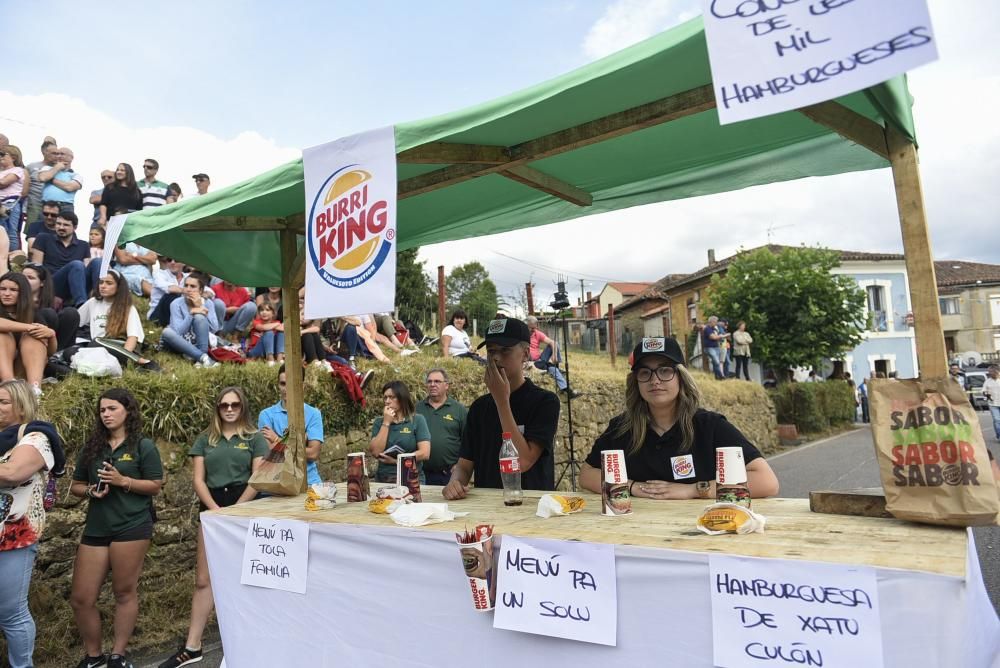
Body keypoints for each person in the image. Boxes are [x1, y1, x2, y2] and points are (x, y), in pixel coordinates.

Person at [579, 337, 779, 500]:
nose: (655, 380)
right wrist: (631, 487)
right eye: (645, 372)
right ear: (636, 382)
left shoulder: (710, 426)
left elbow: (766, 481)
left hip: (701, 533)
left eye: (665, 370)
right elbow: (587, 475)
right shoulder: (622, 428)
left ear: (681, 378)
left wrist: (694, 490)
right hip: (638, 533)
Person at [159, 387, 267, 668]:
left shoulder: (255, 438)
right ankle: (192, 646)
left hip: (245, 505)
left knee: (249, 575)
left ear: (243, 407)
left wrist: (236, 510)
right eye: (223, 405)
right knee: (204, 579)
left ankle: (253, 639)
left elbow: (257, 478)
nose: (229, 409)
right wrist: (215, 511)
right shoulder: (205, 440)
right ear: (217, 409)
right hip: (213, 506)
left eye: (234, 405)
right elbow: (198, 480)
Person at [69, 388, 163, 668]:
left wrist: (124, 482)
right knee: (81, 598)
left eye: (112, 409)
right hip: (97, 527)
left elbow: (155, 486)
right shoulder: (93, 446)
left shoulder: (143, 446)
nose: (106, 414)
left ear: (127, 411)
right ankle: (94, 656)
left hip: (132, 525)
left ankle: (118, 656)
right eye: (102, 410)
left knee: (123, 591)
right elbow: (75, 486)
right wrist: (90, 492)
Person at [443, 317, 560, 499]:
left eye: (505, 350)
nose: (496, 357)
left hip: (531, 508)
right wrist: (455, 482)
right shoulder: (479, 407)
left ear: (526, 354)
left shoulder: (545, 401)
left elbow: (522, 461)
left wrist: (501, 401)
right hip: (487, 507)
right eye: (491, 351)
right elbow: (465, 465)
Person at [0, 379, 66, 668]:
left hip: (15, 537)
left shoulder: (36, 437)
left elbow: (13, 472)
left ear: (21, 404)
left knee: (11, 612)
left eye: (3, 402)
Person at [77, 270, 160, 371]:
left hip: (120, 345)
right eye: (101, 282)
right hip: (100, 348)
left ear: (118, 287)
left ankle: (143, 362)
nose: (103, 286)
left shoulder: (128, 307)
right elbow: (77, 320)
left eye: (109, 283)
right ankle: (123, 364)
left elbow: (132, 338)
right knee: (70, 352)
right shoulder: (93, 302)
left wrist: (125, 354)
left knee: (95, 342)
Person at [259, 364, 324, 485]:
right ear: (278, 385)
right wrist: (299, 444)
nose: (286, 388)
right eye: (283, 384)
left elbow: (313, 453)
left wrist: (277, 439)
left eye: (291, 384)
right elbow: (269, 453)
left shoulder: (313, 414)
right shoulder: (266, 415)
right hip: (277, 483)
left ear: (302, 386)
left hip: (309, 481)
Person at [0, 272, 56, 395]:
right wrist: (29, 327)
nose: (6, 293)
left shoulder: (32, 314)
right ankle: (9, 385)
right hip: (4, 374)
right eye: (2, 289)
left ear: (23, 293)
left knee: (33, 337)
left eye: (13, 290)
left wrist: (51, 334)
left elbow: (50, 352)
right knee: (3, 334)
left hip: (21, 371)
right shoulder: (30, 324)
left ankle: (34, 390)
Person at [30, 210, 99, 307]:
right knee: (77, 264)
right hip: (53, 282)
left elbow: (87, 269)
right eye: (58, 224)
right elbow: (37, 268)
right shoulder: (43, 238)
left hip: (77, 281)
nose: (61, 227)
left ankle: (99, 298)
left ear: (74, 227)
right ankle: (82, 305)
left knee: (97, 262)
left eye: (66, 225)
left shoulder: (83, 245)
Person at [369, 380, 431, 483]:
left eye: (392, 397)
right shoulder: (379, 422)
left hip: (411, 478)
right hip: (385, 480)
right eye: (385, 397)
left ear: (402, 398)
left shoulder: (417, 420)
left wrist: (397, 461)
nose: (387, 401)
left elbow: (425, 453)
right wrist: (386, 422)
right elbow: (376, 452)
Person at [416, 368, 468, 485]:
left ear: (446, 385)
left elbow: (468, 441)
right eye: (429, 382)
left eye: (437, 381)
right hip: (421, 474)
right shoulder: (417, 409)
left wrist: (459, 465)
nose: (432, 385)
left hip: (449, 474)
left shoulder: (458, 410)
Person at [159, 272, 220, 368]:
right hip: (179, 344)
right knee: (167, 332)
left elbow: (214, 329)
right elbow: (178, 332)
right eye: (186, 285)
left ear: (200, 290)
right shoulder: (176, 304)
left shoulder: (208, 303)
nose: (188, 289)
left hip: (197, 342)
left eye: (193, 286)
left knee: (199, 317)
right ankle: (204, 358)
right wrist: (191, 313)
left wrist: (200, 306)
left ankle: (200, 360)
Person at [22, 262, 80, 353]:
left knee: (71, 312)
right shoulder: (14, 298)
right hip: (29, 339)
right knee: (48, 313)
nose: (24, 281)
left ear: (42, 283)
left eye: (30, 278)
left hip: (55, 340)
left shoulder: (53, 301)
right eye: (22, 277)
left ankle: (60, 354)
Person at [525, 315, 580, 398]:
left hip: (540, 360)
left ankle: (555, 364)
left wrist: (554, 355)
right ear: (526, 326)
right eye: (531, 328)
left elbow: (553, 343)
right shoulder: (521, 334)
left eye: (535, 328)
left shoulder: (537, 333)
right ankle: (568, 391)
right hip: (531, 363)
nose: (533, 330)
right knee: (552, 368)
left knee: (554, 344)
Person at [38, 147, 82, 215]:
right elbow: (43, 178)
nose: (58, 156)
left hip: (65, 206)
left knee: (65, 225)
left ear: (71, 157)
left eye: (62, 154)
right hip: (46, 205)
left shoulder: (76, 175)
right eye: (57, 154)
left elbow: (69, 187)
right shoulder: (47, 168)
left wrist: (50, 180)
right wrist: (58, 167)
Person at [97, 164, 142, 228]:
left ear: (128, 173)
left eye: (122, 170)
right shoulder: (110, 187)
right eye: (117, 170)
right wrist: (103, 217)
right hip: (112, 222)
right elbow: (103, 204)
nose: (119, 172)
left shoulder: (136, 191)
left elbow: (139, 210)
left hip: (130, 224)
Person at [0, 145, 27, 254]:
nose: (0, 157)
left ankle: (14, 259)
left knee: (11, 232)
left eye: (3, 154)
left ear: (13, 157)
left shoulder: (18, 170)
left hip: (10, 204)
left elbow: (3, 183)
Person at [148, 256, 185, 324]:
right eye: (169, 260)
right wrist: (192, 291)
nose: (172, 262)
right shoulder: (159, 274)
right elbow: (171, 289)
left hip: (179, 313)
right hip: (158, 314)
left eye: (176, 260)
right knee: (171, 296)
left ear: (184, 263)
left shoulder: (188, 277)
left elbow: (208, 291)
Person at [701, 315, 727, 380]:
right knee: (717, 361)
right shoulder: (707, 329)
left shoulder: (713, 328)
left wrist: (719, 336)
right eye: (715, 322)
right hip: (709, 348)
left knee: (715, 363)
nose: (716, 323)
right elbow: (713, 337)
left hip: (716, 347)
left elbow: (716, 336)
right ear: (711, 322)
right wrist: (720, 336)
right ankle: (721, 376)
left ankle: (717, 377)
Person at [984, 366, 1000, 441]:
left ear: (996, 371)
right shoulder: (987, 381)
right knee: (997, 420)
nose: (989, 373)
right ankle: (999, 436)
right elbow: (983, 390)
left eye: (991, 371)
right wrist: (986, 394)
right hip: (993, 404)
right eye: (989, 371)